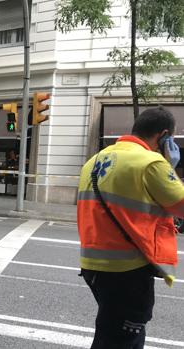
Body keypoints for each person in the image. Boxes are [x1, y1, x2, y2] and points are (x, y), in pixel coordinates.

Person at [77, 107, 184, 348]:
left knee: (112, 333)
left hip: (93, 266)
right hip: (127, 269)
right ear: (164, 135)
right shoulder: (151, 163)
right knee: (123, 339)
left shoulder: (95, 160)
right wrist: (172, 168)